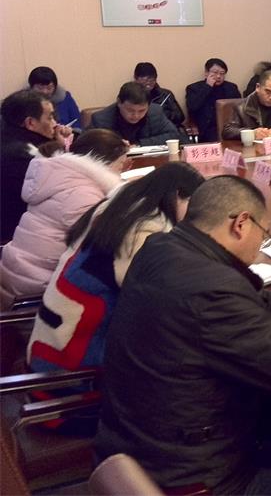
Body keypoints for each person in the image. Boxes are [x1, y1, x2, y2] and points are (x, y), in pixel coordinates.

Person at [94, 175, 271, 493]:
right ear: (241, 224)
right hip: (193, 477)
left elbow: (238, 304)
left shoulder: (161, 249)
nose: (260, 247)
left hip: (143, 443)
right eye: (264, 235)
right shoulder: (213, 289)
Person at [28, 163, 205, 379]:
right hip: (73, 365)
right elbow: (162, 298)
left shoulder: (117, 211)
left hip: (53, 343)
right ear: (177, 195)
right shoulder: (141, 231)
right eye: (193, 206)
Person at [0, 129, 128, 308]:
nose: (120, 174)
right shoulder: (82, 193)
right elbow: (104, 245)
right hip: (38, 290)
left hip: (17, 274)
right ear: (104, 163)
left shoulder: (59, 177)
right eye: (121, 166)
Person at [1, 90, 71, 244]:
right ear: (30, 123)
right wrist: (59, 148)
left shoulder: (8, 138)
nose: (55, 123)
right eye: (50, 117)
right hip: (17, 236)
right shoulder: (25, 155)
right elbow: (61, 187)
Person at [91, 82, 187, 146]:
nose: (136, 115)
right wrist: (116, 147)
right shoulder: (101, 120)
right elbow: (89, 148)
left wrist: (139, 144)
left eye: (141, 111)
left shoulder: (155, 111)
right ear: (119, 102)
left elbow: (174, 135)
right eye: (130, 110)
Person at [185, 58, 242, 143]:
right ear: (206, 73)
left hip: (229, 127)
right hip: (206, 128)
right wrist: (207, 87)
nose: (218, 76)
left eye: (222, 73)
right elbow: (192, 107)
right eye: (215, 72)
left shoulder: (231, 88)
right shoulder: (193, 88)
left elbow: (239, 108)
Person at [133, 62, 186, 128]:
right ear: (136, 79)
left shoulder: (166, 94)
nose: (148, 83)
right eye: (145, 80)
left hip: (165, 129)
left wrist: (162, 113)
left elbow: (180, 117)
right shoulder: (130, 96)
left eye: (152, 80)